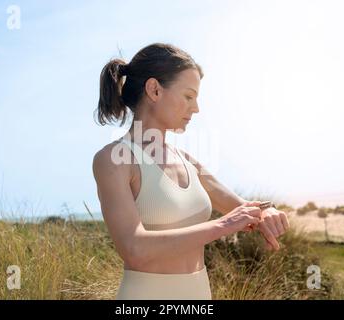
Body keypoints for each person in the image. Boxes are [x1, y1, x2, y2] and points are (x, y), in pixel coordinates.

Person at [92, 43, 290, 300]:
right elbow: (134, 248)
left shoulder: (188, 162)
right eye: (188, 96)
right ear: (154, 90)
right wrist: (224, 225)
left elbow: (243, 208)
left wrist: (266, 213)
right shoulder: (113, 160)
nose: (195, 108)